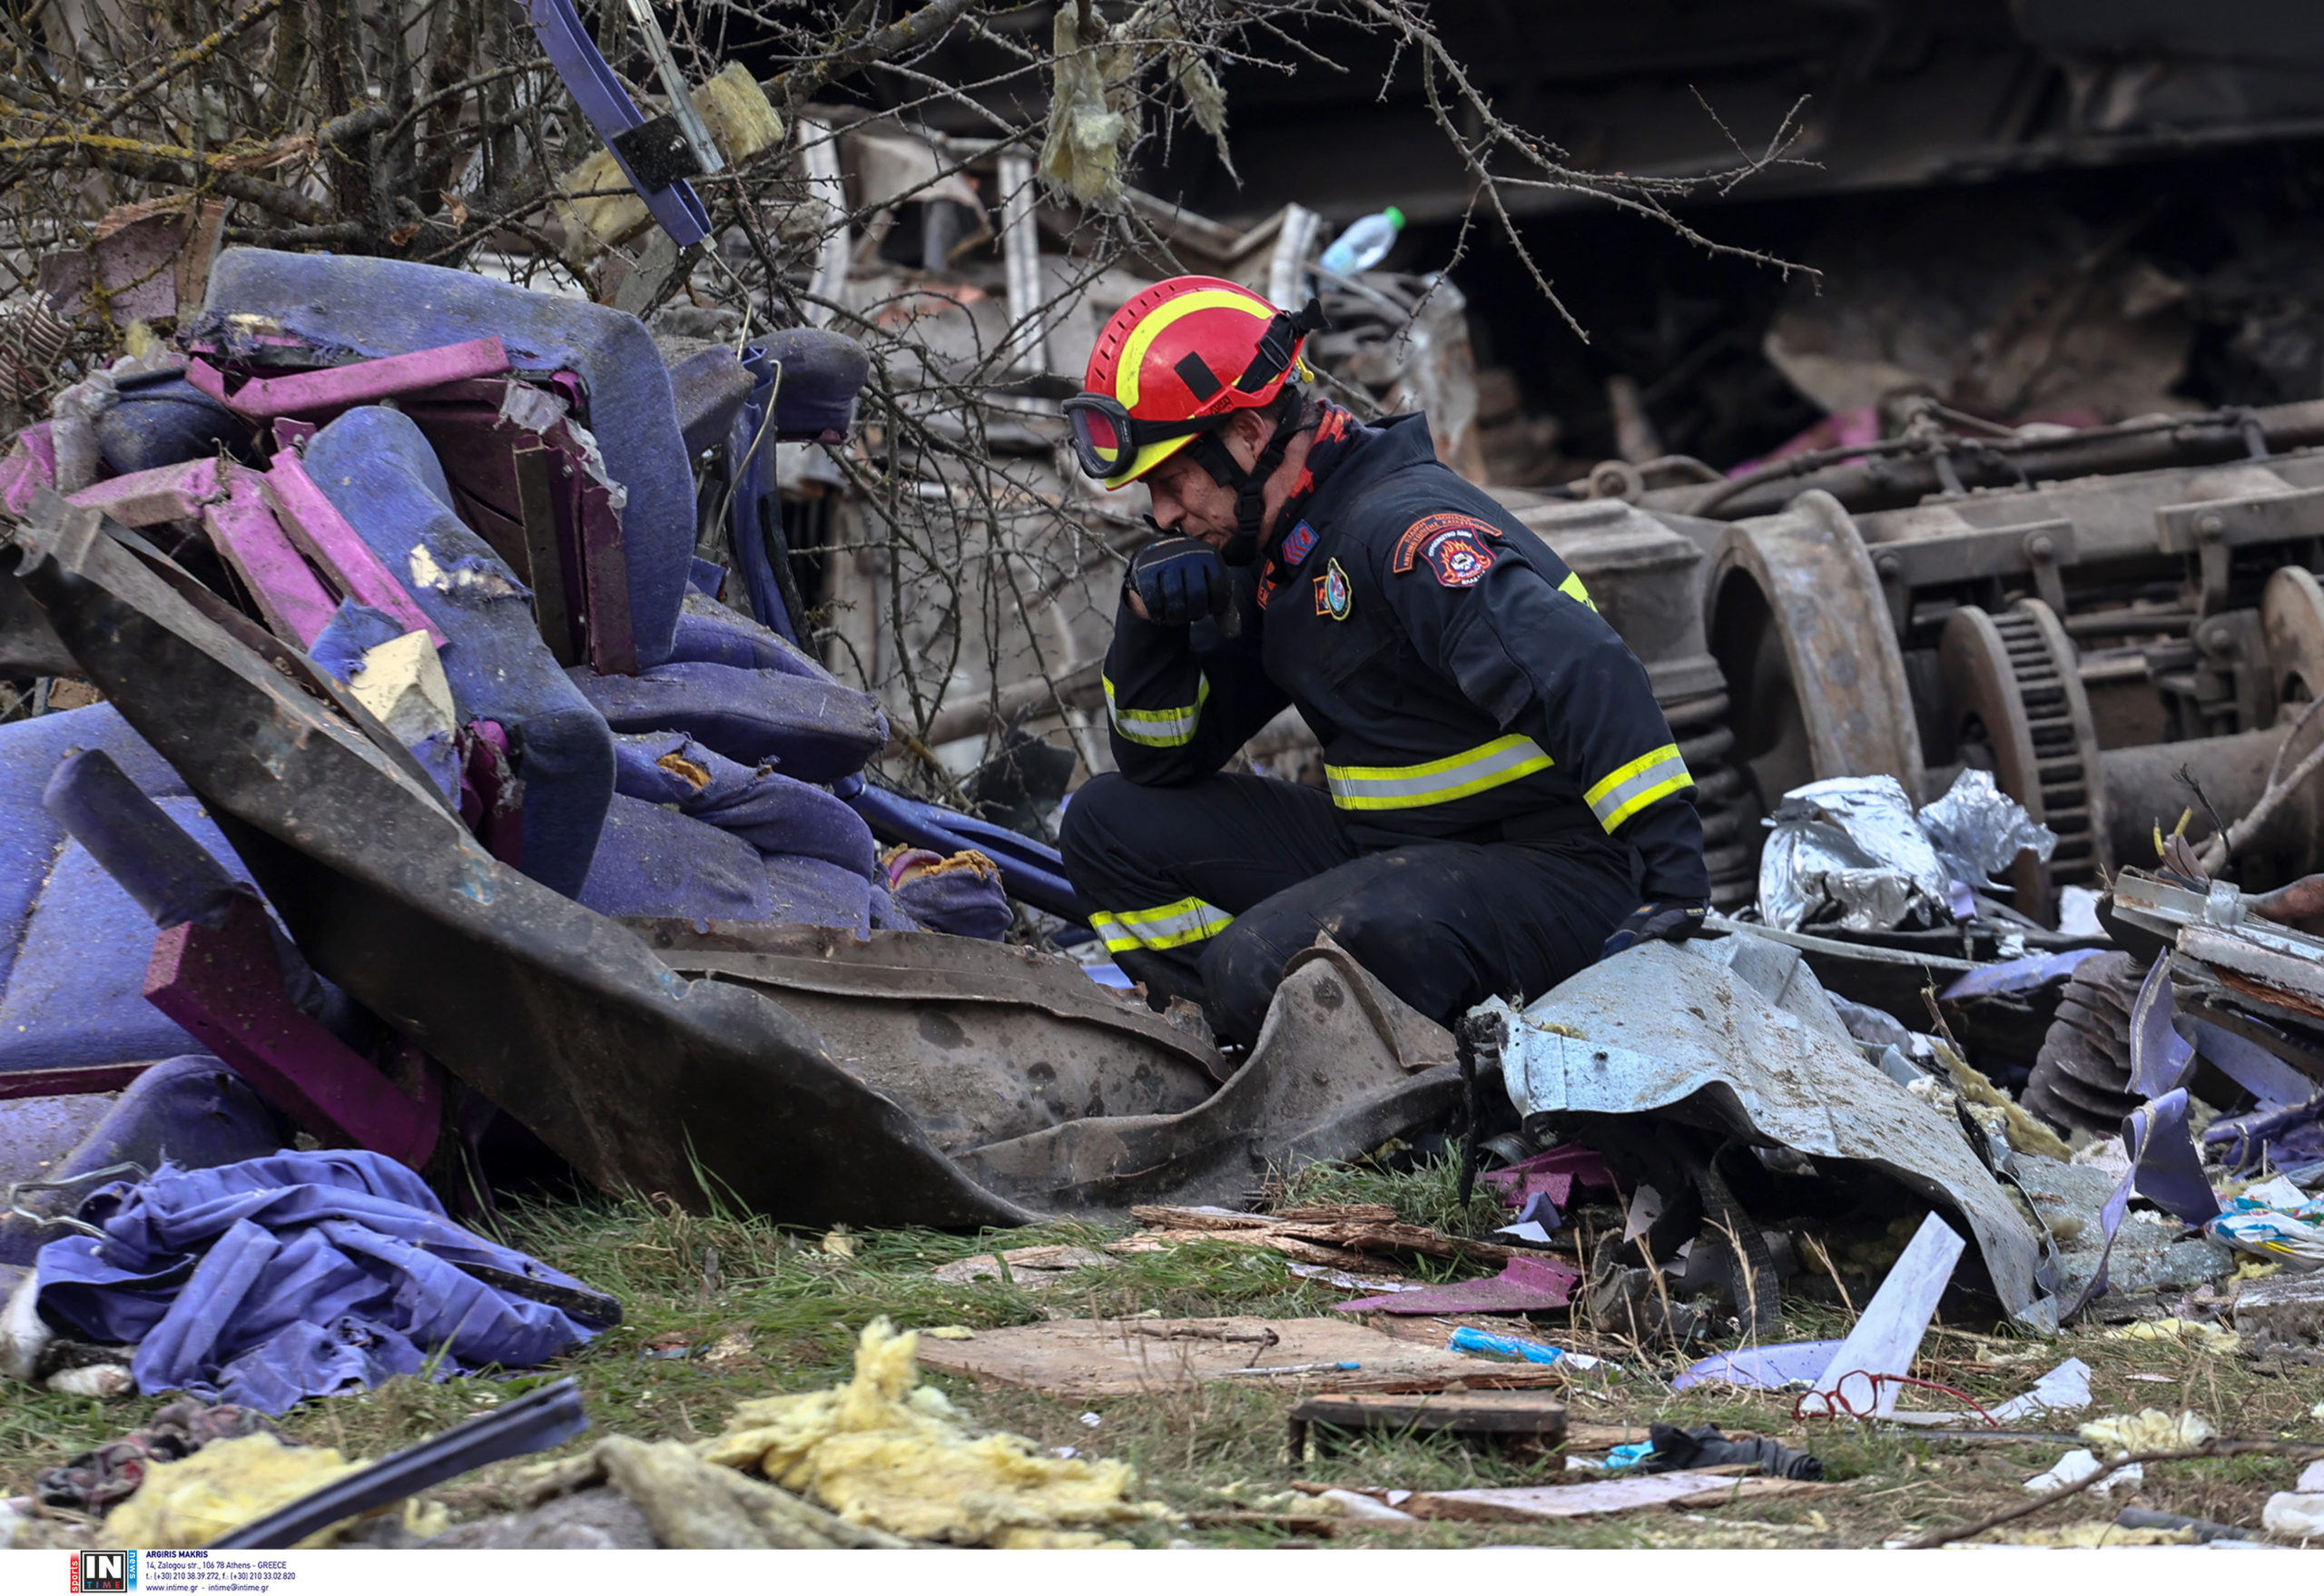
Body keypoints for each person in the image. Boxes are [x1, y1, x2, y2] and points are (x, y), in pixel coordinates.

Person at [1059, 274, 1709, 1047]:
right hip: (1403, 853)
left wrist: (1672, 885)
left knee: (1256, 966)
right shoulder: (1283, 551)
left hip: (1559, 872)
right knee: (1106, 823)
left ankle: (1404, 1081)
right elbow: (1161, 761)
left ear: (1247, 434)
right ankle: (1239, 1049)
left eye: (1172, 480)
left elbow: (1589, 669)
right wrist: (1149, 624)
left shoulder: (1399, 532)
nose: (1162, 513)